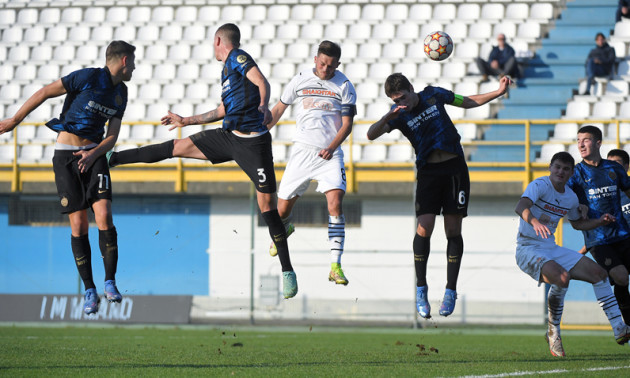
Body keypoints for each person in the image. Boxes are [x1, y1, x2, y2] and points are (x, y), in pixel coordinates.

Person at [106, 24, 298, 299]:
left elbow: (262, 82)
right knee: (175, 147)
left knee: (267, 208)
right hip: (228, 136)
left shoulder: (237, 57)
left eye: (213, 42)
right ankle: (114, 159)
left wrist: (263, 104)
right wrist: (186, 120)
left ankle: (287, 271)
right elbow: (221, 110)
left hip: (254, 144)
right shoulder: (226, 73)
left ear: (218, 40)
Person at [0, 41, 136, 315]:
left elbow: (112, 136)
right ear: (123, 61)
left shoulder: (122, 92)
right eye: (132, 62)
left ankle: (110, 282)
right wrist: (15, 120)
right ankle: (89, 289)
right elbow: (46, 92)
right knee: (79, 224)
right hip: (66, 156)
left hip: (95, 154)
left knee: (104, 215)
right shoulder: (86, 77)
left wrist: (93, 153)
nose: (134, 67)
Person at [367, 73, 511, 318]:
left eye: (403, 97)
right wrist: (387, 117)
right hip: (428, 173)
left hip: (455, 169)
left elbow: (466, 101)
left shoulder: (434, 94)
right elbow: (371, 135)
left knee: (453, 230)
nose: (402, 102)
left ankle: (450, 290)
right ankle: (421, 288)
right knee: (424, 228)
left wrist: (497, 92)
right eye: (396, 99)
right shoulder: (398, 114)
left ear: (412, 89)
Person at [515, 151, 630, 357]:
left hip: (550, 247)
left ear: (570, 174)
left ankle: (619, 327)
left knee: (600, 274)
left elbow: (578, 224)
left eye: (566, 169)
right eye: (557, 167)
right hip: (528, 247)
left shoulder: (570, 196)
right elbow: (521, 206)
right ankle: (554, 331)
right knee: (562, 277)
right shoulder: (540, 185)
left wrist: (600, 221)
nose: (560, 171)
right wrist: (534, 221)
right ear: (550, 167)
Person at [266, 41, 356, 286]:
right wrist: (262, 132)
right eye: (322, 63)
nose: (325, 69)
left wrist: (331, 147)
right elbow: (278, 109)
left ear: (338, 64)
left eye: (330, 65)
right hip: (302, 152)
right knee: (281, 211)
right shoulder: (300, 79)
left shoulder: (345, 85)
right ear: (315, 59)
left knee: (335, 203)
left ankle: (335, 266)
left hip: (330, 153)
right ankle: (286, 227)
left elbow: (347, 125)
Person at [567, 126, 630, 325]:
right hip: (598, 239)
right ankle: (627, 321)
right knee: (621, 277)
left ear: (598, 143)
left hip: (622, 233)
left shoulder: (614, 169)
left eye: (585, 140)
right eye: (578, 140)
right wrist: (579, 206)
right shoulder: (575, 173)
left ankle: (626, 325)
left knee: (622, 279)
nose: (581, 144)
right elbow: (565, 196)